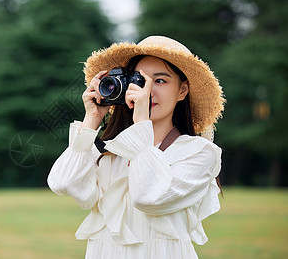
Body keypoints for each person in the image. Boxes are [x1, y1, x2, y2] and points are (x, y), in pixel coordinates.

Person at [47, 36, 225, 258]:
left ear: (182, 90)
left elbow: (148, 197)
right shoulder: (109, 151)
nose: (147, 91)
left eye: (160, 81)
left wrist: (141, 122)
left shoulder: (198, 152)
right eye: (139, 80)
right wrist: (91, 119)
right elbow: (63, 183)